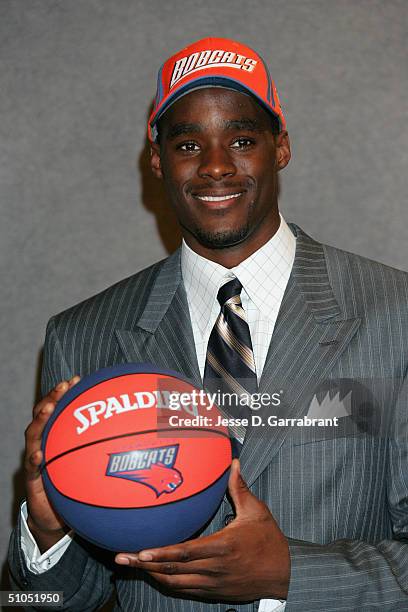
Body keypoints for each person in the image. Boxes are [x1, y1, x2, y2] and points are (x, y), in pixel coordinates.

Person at [8, 37, 408, 611]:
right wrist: (49, 530)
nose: (216, 166)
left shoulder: (394, 316)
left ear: (282, 148)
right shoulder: (83, 336)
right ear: (156, 161)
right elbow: (46, 603)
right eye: (188, 144)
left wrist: (290, 574)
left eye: (242, 140)